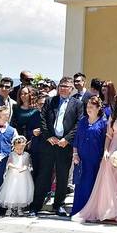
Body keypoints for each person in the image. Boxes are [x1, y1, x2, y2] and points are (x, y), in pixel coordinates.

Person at [74, 88, 117, 223]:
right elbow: (108, 135)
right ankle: (106, 210)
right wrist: (106, 150)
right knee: (106, 181)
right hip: (111, 148)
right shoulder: (113, 115)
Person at [31, 77, 83, 217]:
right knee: (43, 175)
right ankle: (36, 206)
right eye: (61, 85)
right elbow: (43, 120)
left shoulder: (77, 104)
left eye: (66, 86)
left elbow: (78, 124)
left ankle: (58, 205)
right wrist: (48, 136)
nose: (62, 88)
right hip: (49, 144)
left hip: (64, 146)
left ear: (71, 89)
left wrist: (67, 139)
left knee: (62, 177)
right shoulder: (50, 101)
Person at [71, 96, 108, 215]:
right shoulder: (82, 120)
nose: (88, 109)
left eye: (91, 107)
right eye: (87, 106)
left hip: (94, 159)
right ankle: (77, 210)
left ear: (98, 108)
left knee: (91, 185)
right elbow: (76, 139)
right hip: (81, 158)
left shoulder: (103, 123)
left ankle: (90, 212)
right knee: (80, 184)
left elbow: (104, 141)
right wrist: (75, 154)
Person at [0, 135, 34, 216]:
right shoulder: (12, 154)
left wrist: (23, 168)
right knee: (11, 190)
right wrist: (15, 167)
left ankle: (19, 208)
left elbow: (26, 164)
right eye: (17, 148)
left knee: (21, 191)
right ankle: (9, 208)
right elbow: (9, 163)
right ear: (14, 147)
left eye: (21, 148)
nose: (19, 150)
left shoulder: (26, 155)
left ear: (24, 147)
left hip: (23, 176)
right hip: (13, 175)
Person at [12, 87, 43, 178]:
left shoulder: (36, 110)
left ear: (30, 94)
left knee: (31, 167)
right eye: (21, 94)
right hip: (18, 141)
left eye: (25, 93)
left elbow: (39, 127)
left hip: (32, 142)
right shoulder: (15, 108)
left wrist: (33, 134)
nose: (23, 96)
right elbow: (13, 125)